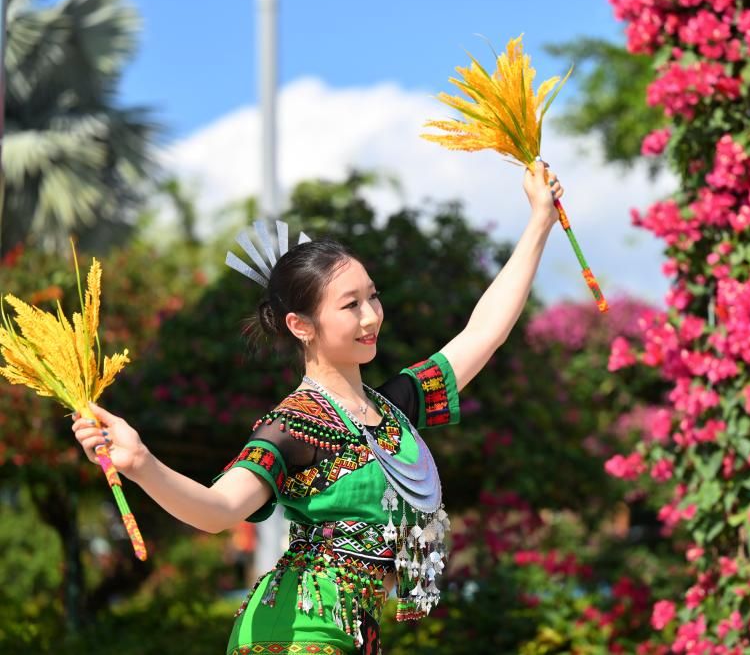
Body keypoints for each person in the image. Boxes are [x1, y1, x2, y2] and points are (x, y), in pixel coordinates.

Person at [70, 160, 564, 654]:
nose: (371, 316)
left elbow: (485, 332)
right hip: (297, 634)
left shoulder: (393, 410)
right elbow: (219, 510)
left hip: (353, 631)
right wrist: (141, 464)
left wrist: (539, 219)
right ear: (301, 325)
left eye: (373, 297)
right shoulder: (292, 427)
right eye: (350, 305)